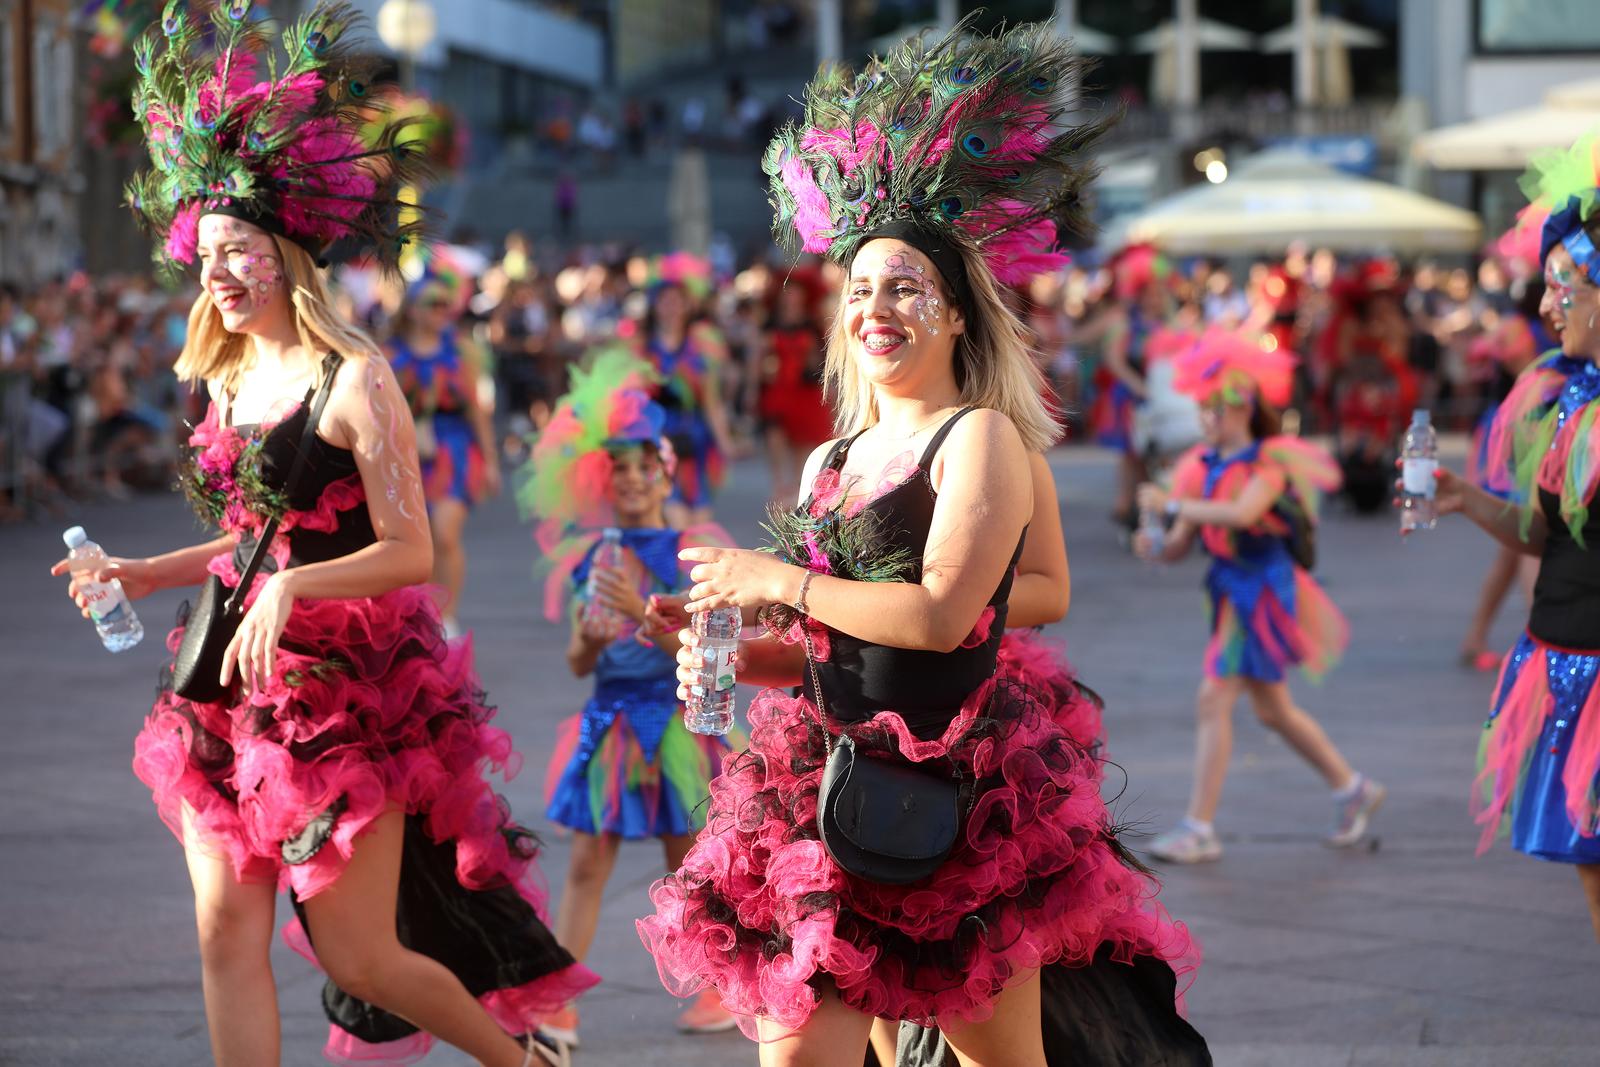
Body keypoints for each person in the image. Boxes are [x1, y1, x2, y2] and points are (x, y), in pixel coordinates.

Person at [637, 20, 1203, 1065]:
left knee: (995, 1058)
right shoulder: (829, 461)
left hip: (955, 791)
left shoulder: (978, 437)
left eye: (901, 285)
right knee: (805, 1050)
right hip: (823, 786)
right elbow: (827, 656)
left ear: (953, 311)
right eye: (857, 288)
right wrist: (725, 646)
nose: (873, 306)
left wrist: (779, 578)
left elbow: (944, 615)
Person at [52, 8, 594, 1064]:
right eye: (205, 253)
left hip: (343, 693)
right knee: (224, 931)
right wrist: (139, 567)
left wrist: (295, 593)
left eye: (239, 251)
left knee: (360, 956)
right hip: (221, 686)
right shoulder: (226, 373)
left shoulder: (356, 379)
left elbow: (410, 552)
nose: (217, 273)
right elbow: (248, 541)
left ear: (288, 253)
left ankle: (521, 1057)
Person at [517, 347, 740, 1046]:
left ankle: (722, 986)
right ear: (599, 477)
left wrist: (647, 608)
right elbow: (582, 659)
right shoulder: (589, 555)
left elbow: (718, 657)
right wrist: (588, 633)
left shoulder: (694, 546)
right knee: (587, 861)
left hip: (677, 720)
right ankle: (560, 999)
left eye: (648, 466)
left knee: (689, 860)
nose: (635, 479)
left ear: (667, 471)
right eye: (619, 467)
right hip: (611, 719)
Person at [1136, 329, 1385, 863]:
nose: (1210, 417)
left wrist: (1175, 508)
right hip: (1230, 591)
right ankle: (1353, 788)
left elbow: (1242, 514)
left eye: (1219, 406)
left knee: (1214, 699)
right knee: (1274, 711)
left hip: (1264, 591)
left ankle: (1199, 827)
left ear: (1245, 404)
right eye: (1203, 406)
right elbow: (1180, 545)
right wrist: (1154, 542)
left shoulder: (1269, 462)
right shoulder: (1197, 467)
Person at [1443, 134, 1600, 937]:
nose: (1544, 307)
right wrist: (1465, 495)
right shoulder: (1564, 400)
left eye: (1562, 289)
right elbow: (1542, 537)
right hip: (1564, 663)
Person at [385, 273, 502, 636]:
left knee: (445, 533)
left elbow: (476, 410)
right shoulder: (391, 354)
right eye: (431, 304)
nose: (439, 312)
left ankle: (447, 614)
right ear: (412, 310)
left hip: (455, 450)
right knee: (419, 538)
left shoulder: (460, 352)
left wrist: (492, 462)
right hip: (408, 451)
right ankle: (426, 610)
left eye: (444, 305)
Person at [1457, 275, 1549, 671]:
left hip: (1528, 423)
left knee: (1514, 550)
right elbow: (1522, 374)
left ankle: (1477, 636)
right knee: (1531, 531)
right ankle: (1541, 637)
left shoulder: (1541, 327)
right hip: (1525, 426)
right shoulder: (1523, 328)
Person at [637, 275, 736, 526]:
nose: (671, 307)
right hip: (657, 437)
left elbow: (712, 401)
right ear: (654, 306)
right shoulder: (642, 349)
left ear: (686, 306)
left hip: (695, 436)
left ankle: (686, 563)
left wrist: (725, 442)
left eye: (676, 301)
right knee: (672, 510)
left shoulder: (700, 348)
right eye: (664, 301)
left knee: (700, 515)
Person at [757, 269, 833, 505]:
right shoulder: (770, 324)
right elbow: (758, 358)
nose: (790, 297)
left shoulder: (812, 324)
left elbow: (821, 360)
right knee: (774, 435)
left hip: (804, 388)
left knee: (801, 442)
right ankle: (780, 485)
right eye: (787, 292)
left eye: (795, 292)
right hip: (778, 388)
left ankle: (798, 488)